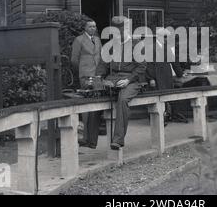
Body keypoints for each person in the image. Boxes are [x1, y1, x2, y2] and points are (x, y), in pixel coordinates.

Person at [97, 16, 146, 150]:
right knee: (93, 93)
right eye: (116, 31)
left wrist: (128, 80)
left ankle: (118, 140)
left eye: (121, 31)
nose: (118, 34)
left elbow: (141, 67)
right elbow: (103, 64)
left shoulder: (137, 44)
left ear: (127, 30)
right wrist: (99, 78)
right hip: (113, 78)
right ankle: (88, 139)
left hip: (132, 80)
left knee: (123, 99)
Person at [71, 19, 102, 149]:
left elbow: (100, 57)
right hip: (85, 76)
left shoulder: (98, 40)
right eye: (90, 26)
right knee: (87, 107)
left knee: (96, 108)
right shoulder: (79, 40)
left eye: (94, 26)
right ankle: (85, 138)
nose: (92, 28)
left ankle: (92, 141)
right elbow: (74, 60)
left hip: (97, 76)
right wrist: (82, 71)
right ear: (85, 28)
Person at [146, 28, 185, 123]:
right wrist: (151, 78)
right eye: (165, 37)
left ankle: (165, 117)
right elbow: (148, 64)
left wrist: (180, 73)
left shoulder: (166, 47)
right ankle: (155, 120)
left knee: (166, 96)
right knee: (156, 98)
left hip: (166, 75)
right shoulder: (151, 48)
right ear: (159, 36)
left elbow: (174, 61)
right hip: (156, 76)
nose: (167, 39)